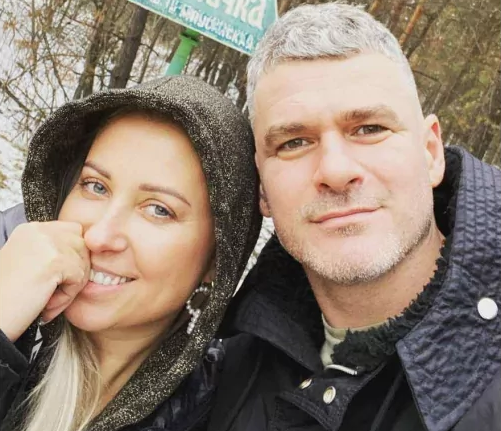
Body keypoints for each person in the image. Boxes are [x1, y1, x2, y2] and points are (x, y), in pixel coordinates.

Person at [208, 3, 501, 431]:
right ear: (262, 189)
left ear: (430, 153)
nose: (336, 170)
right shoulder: (219, 369)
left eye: (369, 129)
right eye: (293, 142)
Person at [0, 76, 261, 431]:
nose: (99, 236)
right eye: (95, 186)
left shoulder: (218, 416)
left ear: (216, 261)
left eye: (158, 210)